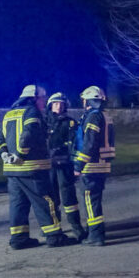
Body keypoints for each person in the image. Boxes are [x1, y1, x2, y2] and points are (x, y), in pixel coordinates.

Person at [0, 85, 74, 250]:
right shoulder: (32, 112)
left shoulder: (8, 114)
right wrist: (20, 155)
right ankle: (54, 236)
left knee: (18, 204)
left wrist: (4, 155)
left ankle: (19, 238)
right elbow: (28, 134)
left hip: (12, 171)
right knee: (45, 200)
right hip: (31, 168)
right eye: (43, 98)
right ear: (34, 98)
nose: (44, 102)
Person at [73, 86, 115, 246]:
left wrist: (79, 165)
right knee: (94, 201)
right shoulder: (104, 115)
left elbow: (89, 143)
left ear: (88, 100)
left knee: (91, 202)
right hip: (102, 164)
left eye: (84, 99)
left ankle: (96, 236)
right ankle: (97, 233)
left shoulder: (93, 117)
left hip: (92, 165)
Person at [46, 92, 86, 241]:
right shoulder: (43, 122)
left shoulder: (71, 123)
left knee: (69, 197)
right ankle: (52, 229)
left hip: (64, 166)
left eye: (61, 104)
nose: (59, 106)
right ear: (50, 105)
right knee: (51, 198)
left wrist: (76, 164)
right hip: (48, 167)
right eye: (56, 103)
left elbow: (76, 144)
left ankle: (76, 227)